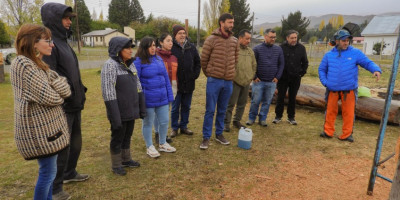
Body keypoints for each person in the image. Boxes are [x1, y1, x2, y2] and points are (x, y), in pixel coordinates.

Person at [11, 24, 71, 200]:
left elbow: (65, 88)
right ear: (33, 42)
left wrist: (56, 88)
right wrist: (57, 91)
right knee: (47, 173)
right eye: (48, 40)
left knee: (49, 172)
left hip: (47, 131)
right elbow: (51, 96)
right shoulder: (23, 64)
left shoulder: (38, 64)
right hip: (39, 133)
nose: (52, 44)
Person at [41, 3, 89, 199]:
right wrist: (65, 98)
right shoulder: (50, 45)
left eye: (70, 18)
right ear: (54, 20)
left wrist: (81, 91)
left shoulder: (63, 42)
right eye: (66, 18)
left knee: (75, 143)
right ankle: (55, 188)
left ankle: (70, 173)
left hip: (75, 104)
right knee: (61, 148)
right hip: (62, 107)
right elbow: (50, 78)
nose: (69, 22)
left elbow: (71, 72)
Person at [319, 29, 381, 142]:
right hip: (332, 89)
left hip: (349, 89)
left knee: (348, 113)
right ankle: (328, 132)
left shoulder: (355, 53)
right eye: (343, 40)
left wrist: (376, 70)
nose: (346, 42)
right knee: (330, 111)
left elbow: (367, 62)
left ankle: (347, 134)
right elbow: (322, 70)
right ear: (337, 41)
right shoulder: (328, 55)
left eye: (347, 40)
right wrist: (326, 82)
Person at [101, 37, 146, 176]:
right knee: (118, 136)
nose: (131, 50)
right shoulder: (110, 65)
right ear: (118, 50)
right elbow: (108, 92)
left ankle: (126, 159)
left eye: (131, 47)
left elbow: (138, 86)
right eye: (128, 48)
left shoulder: (130, 65)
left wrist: (141, 106)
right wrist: (115, 115)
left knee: (128, 134)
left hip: (130, 108)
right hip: (118, 110)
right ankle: (116, 164)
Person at [200, 13, 239, 149]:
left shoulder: (234, 41)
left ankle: (219, 134)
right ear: (221, 23)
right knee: (210, 110)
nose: (232, 25)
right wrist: (210, 73)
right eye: (229, 22)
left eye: (233, 22)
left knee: (222, 109)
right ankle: (206, 137)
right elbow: (203, 60)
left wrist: (230, 74)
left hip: (228, 82)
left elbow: (236, 59)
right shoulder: (211, 39)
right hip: (214, 80)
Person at [134, 37, 176, 158]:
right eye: (150, 46)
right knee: (147, 123)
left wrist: (169, 95)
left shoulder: (158, 59)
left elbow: (166, 79)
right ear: (144, 47)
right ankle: (149, 146)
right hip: (148, 100)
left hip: (162, 98)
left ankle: (162, 143)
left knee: (164, 121)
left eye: (154, 45)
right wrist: (140, 99)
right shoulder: (138, 61)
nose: (153, 48)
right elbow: (136, 82)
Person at [247, 29, 284, 127]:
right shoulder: (257, 49)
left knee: (267, 102)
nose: (273, 39)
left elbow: (281, 64)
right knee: (255, 101)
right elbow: (252, 64)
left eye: (274, 37)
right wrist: (254, 77)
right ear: (265, 37)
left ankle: (262, 119)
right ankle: (251, 118)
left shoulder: (278, 49)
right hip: (259, 81)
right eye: (271, 37)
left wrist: (277, 77)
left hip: (272, 82)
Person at [169, 25, 201, 138]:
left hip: (189, 83)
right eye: (179, 33)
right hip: (176, 84)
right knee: (175, 108)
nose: (182, 35)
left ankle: (184, 126)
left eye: (184, 33)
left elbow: (198, 62)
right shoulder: (171, 48)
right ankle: (174, 128)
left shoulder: (191, 47)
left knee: (186, 106)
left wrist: (195, 75)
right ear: (175, 35)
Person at [273, 30, 309, 125]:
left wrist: (301, 73)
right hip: (283, 77)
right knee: (280, 97)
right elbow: (277, 62)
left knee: (292, 98)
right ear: (287, 38)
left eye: (295, 38)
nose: (294, 40)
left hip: (295, 78)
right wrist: (277, 74)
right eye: (292, 38)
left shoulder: (301, 48)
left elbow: (305, 62)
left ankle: (291, 117)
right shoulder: (281, 48)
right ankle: (278, 116)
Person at [223, 29, 257, 132]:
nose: (248, 41)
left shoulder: (250, 51)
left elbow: (254, 65)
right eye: (247, 38)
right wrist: (231, 77)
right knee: (230, 104)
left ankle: (236, 121)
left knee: (242, 104)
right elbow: (227, 64)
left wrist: (251, 76)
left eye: (250, 39)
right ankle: (226, 123)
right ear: (240, 38)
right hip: (234, 82)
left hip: (246, 82)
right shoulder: (233, 49)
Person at [154, 33, 177, 144]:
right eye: (168, 40)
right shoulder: (155, 56)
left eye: (171, 41)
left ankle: (162, 134)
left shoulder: (173, 57)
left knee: (165, 113)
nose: (171, 43)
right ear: (161, 42)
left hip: (170, 89)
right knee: (157, 113)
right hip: (158, 89)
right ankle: (158, 133)